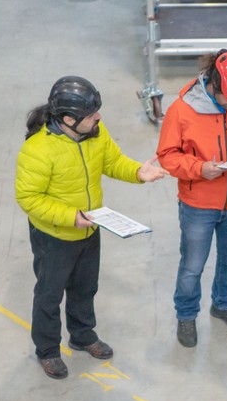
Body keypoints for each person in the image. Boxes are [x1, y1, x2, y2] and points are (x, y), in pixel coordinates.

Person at [15, 76, 167, 378]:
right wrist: (70, 216)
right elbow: (28, 198)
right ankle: (47, 351)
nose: (98, 117)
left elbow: (112, 162)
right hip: (54, 236)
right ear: (68, 119)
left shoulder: (96, 133)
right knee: (49, 295)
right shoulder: (38, 150)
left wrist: (138, 172)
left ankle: (83, 335)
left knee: (86, 287)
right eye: (91, 114)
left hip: (90, 228)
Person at [155, 51, 227, 348]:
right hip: (199, 205)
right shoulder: (181, 111)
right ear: (215, 85)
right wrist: (198, 169)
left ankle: (223, 304)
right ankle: (186, 315)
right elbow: (168, 157)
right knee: (193, 265)